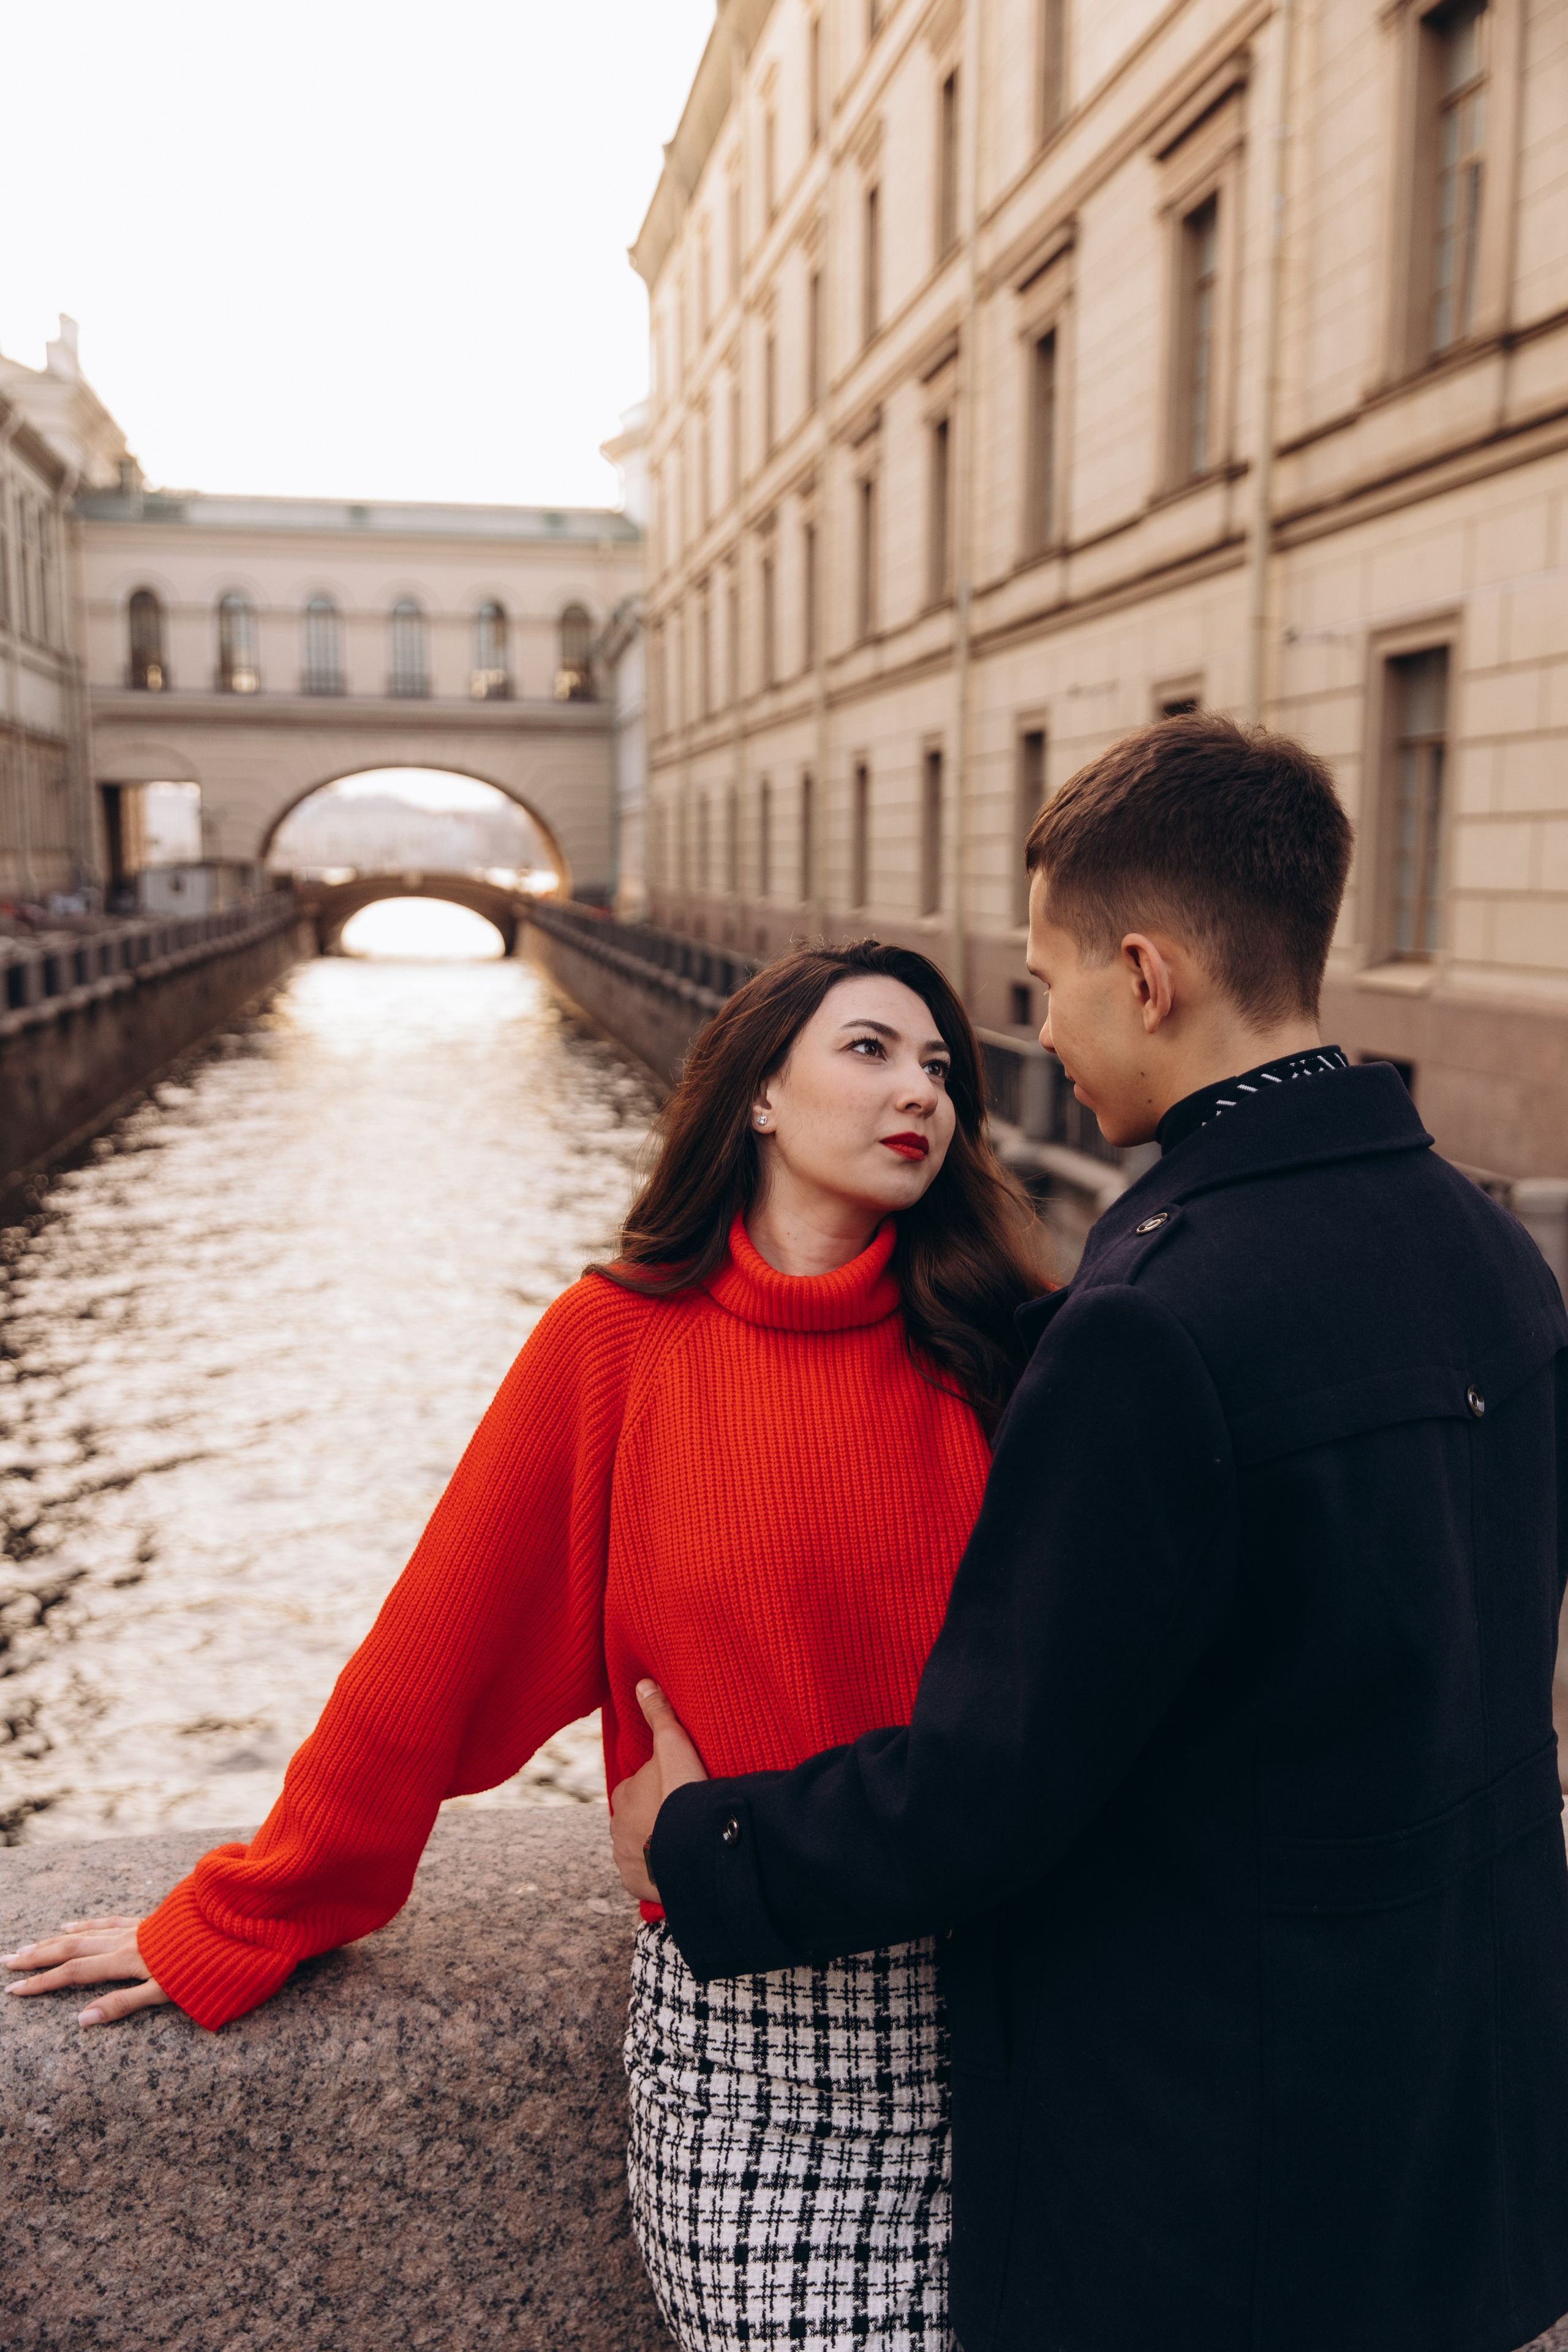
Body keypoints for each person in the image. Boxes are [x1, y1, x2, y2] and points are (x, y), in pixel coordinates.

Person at [612, 714, 1568, 2352]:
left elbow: (993, 1783)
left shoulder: (1158, 1316)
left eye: (1046, 982)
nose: (1039, 1031)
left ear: (1145, 976)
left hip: (1225, 2167)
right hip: (1456, 2130)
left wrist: (707, 1845)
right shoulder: (1482, 1246)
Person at [3, 939, 1044, 2352]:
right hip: (761, 2066)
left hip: (1023, 2031)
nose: (917, 1088)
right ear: (756, 1093)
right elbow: (427, 1663)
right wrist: (245, 1916)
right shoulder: (615, 1344)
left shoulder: (1001, 1357)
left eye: (938, 1067)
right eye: (868, 1050)